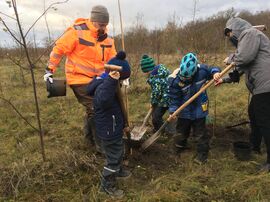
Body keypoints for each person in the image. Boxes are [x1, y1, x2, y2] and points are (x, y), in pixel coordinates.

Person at [43, 5, 116, 152]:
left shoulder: (108, 40)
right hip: (79, 79)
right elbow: (59, 50)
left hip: (98, 80)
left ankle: (89, 139)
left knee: (94, 108)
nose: (104, 28)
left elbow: (113, 60)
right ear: (93, 20)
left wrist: (120, 76)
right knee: (97, 108)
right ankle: (101, 146)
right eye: (101, 24)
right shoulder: (76, 32)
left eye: (106, 25)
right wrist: (49, 70)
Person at [215, 17, 270, 172]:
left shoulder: (250, 33)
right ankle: (255, 146)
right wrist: (224, 80)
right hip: (263, 86)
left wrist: (231, 58)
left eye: (230, 33)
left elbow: (244, 58)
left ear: (236, 28)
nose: (230, 37)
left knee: (264, 121)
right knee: (254, 113)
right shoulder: (247, 40)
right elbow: (239, 69)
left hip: (266, 85)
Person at [87, 51, 131, 197]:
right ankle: (107, 186)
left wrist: (124, 123)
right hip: (108, 130)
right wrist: (112, 82)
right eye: (121, 80)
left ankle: (118, 171)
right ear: (115, 75)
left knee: (118, 152)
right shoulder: (104, 86)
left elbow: (117, 107)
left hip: (114, 128)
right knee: (113, 158)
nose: (121, 83)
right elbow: (103, 100)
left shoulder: (108, 84)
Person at [168, 52, 220, 164]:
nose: (185, 79)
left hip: (199, 110)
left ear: (194, 71)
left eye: (188, 78)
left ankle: (202, 154)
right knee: (181, 131)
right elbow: (174, 98)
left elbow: (213, 69)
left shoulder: (202, 71)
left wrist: (216, 73)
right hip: (184, 112)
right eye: (184, 77)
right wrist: (173, 111)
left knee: (200, 133)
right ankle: (179, 147)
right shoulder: (175, 80)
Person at [140, 55, 170, 132]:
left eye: (146, 72)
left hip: (166, 99)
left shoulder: (155, 77)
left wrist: (153, 102)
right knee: (155, 115)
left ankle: (163, 132)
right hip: (167, 96)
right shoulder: (161, 71)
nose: (146, 74)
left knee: (156, 117)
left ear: (148, 70)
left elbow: (157, 92)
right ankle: (158, 129)